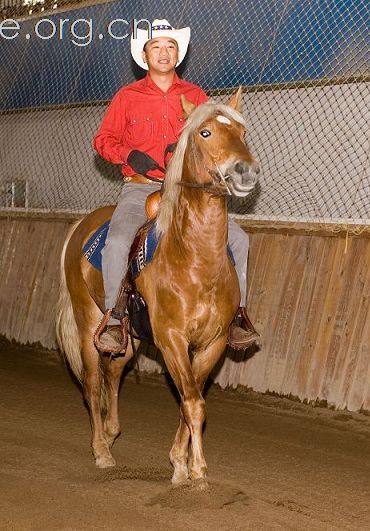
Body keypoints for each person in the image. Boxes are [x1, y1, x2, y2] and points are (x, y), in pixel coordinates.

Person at [92, 19, 260, 354]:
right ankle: (114, 316)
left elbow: (214, 138)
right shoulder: (127, 97)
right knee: (118, 241)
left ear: (178, 53)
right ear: (145, 54)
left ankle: (238, 316)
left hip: (186, 190)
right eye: (157, 47)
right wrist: (128, 154)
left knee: (239, 240)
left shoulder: (195, 96)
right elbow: (102, 141)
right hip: (141, 187)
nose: (164, 53)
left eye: (170, 47)